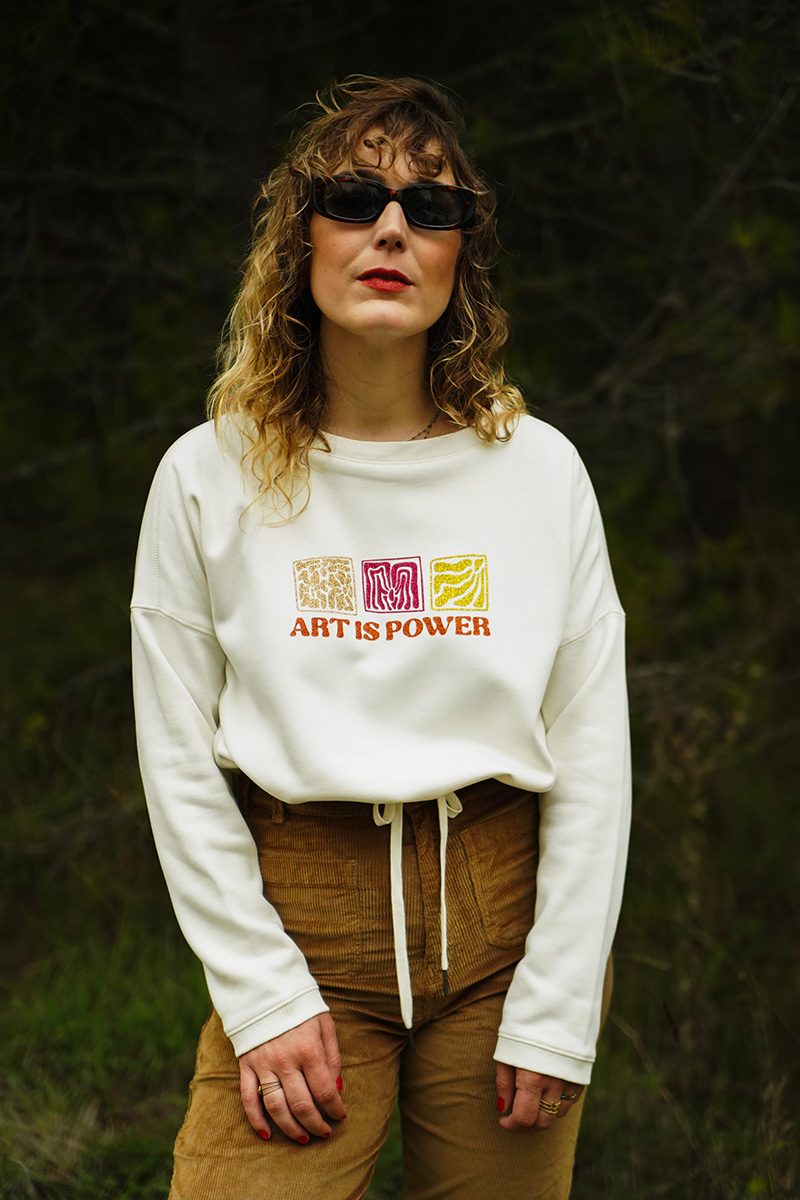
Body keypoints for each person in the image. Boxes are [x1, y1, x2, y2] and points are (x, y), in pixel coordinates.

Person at [131, 75, 631, 1200]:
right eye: (354, 198)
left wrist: (553, 1002)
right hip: (302, 927)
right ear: (299, 237)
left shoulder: (538, 471)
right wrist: (262, 995)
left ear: (463, 255)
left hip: (506, 935)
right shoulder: (205, 476)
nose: (391, 229)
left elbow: (591, 751)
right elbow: (176, 763)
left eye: (431, 206)